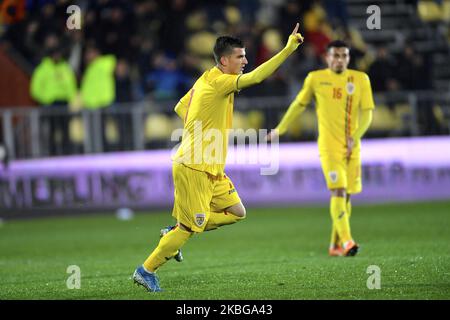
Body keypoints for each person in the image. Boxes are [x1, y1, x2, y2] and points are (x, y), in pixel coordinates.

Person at [133, 23, 304, 292]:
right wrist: (287, 49)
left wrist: (199, 128)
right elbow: (258, 77)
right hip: (194, 166)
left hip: (211, 166)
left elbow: (181, 107)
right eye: (240, 57)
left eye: (245, 56)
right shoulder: (222, 82)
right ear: (225, 61)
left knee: (237, 212)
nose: (246, 61)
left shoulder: (206, 77)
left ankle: (176, 230)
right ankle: (146, 269)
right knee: (189, 229)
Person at [267, 40, 375, 257]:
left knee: (347, 196)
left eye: (344, 55)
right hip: (329, 146)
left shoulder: (360, 79)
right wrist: (280, 128)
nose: (340, 59)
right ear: (327, 57)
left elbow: (368, 113)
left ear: (348, 58)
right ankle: (347, 241)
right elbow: (299, 104)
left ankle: (335, 245)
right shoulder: (316, 79)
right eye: (335, 55)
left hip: (352, 147)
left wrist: (355, 137)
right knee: (338, 190)